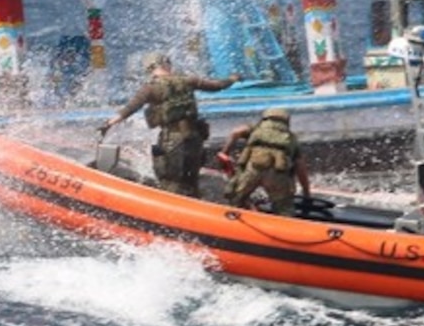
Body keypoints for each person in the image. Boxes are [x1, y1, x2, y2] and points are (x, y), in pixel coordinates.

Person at [98, 52, 240, 197]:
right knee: (191, 179)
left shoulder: (150, 88)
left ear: (150, 68)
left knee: (171, 182)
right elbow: (218, 85)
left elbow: (130, 109)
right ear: (167, 64)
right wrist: (233, 78)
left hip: (172, 140)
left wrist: (109, 124)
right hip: (194, 139)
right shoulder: (187, 80)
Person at [224, 106, 310, 215]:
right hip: (278, 176)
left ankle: (237, 217)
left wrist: (225, 152)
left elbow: (235, 132)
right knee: (284, 208)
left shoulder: (255, 130)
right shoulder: (291, 139)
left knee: (236, 198)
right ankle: (282, 227)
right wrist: (306, 191)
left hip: (252, 171)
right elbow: (300, 168)